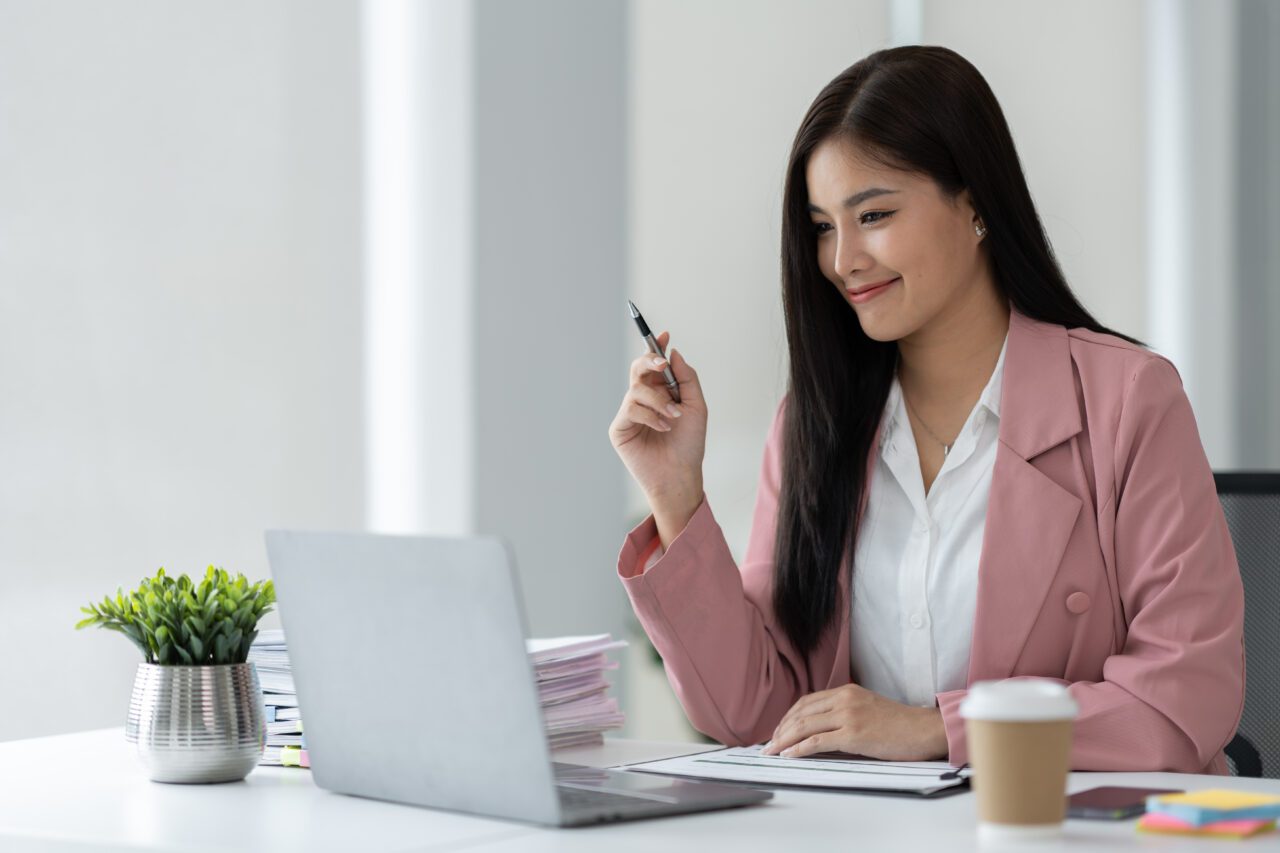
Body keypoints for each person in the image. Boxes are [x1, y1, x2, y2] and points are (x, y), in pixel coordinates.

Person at [607, 45, 1244, 773]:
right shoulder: (811, 425)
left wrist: (941, 729)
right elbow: (756, 713)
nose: (842, 260)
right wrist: (675, 492)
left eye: (873, 214)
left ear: (975, 204)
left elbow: (1185, 696)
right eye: (822, 226)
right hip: (878, 824)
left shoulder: (1128, 400)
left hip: (1068, 821)